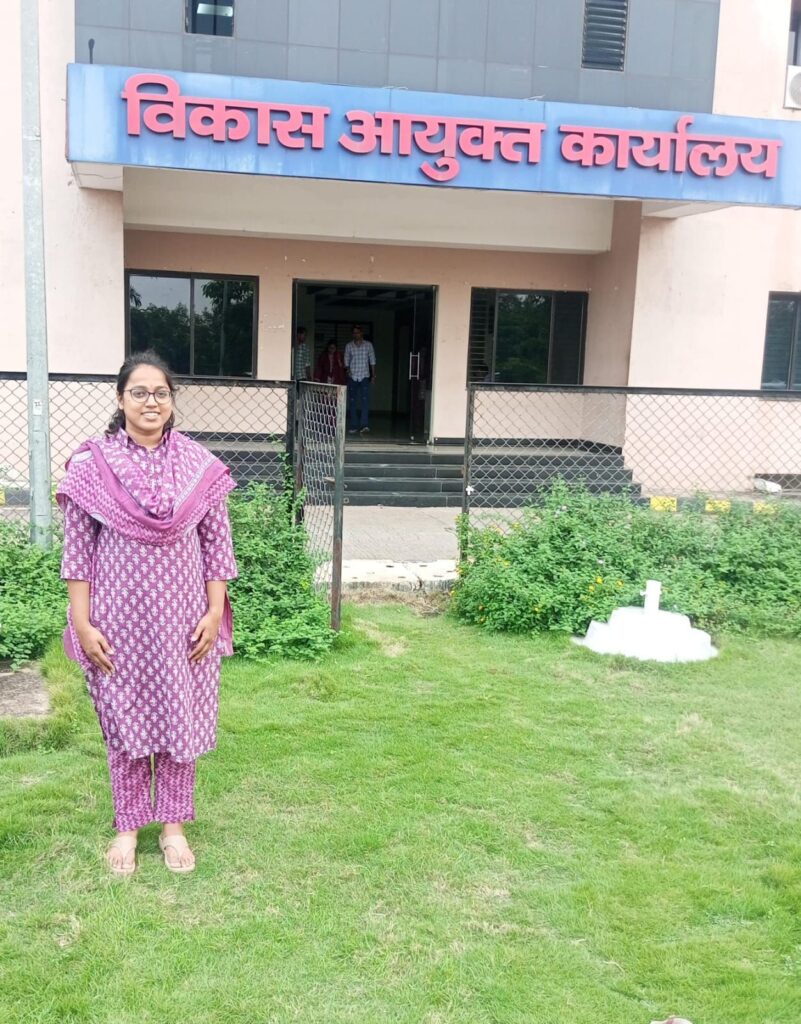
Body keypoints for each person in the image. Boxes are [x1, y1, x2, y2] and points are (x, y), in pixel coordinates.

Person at [57, 351, 238, 876]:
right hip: (117, 623)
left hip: (185, 622)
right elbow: (77, 553)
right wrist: (82, 623)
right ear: (120, 399)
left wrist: (214, 611)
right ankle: (129, 826)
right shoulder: (92, 467)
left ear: (172, 400)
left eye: (160, 392)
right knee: (126, 721)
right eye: (139, 392)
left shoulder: (199, 467)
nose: (151, 402)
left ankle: (174, 827)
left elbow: (217, 547)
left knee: (181, 719)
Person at [344, 324, 376, 435]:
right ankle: (353, 425)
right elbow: (346, 360)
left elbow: (372, 360)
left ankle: (364, 425)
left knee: (365, 401)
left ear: (362, 333)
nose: (356, 334)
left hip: (364, 376)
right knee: (352, 401)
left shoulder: (368, 345)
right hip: (353, 376)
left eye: (357, 332)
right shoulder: (349, 346)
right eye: (354, 333)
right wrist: (348, 371)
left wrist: (373, 375)